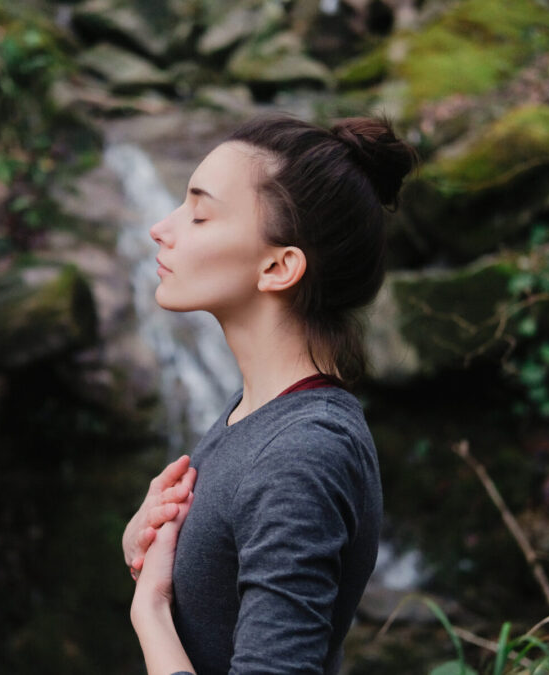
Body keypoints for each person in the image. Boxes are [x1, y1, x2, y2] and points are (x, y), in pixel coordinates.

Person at [122, 114, 417, 675]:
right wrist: (147, 553)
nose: (162, 227)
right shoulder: (256, 412)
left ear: (279, 267)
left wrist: (151, 612)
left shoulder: (301, 453)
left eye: (200, 214)